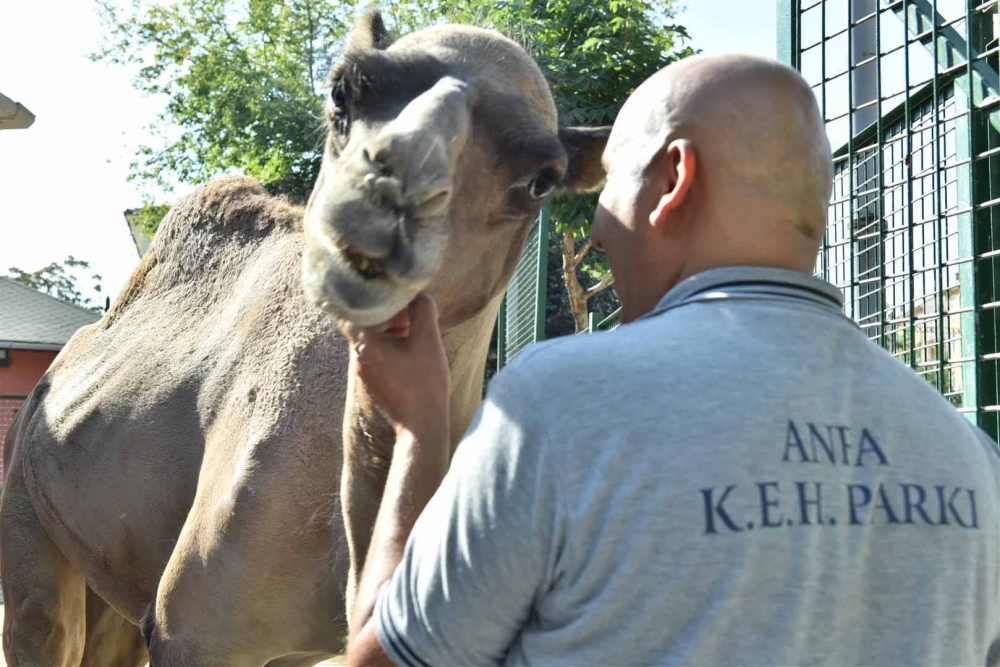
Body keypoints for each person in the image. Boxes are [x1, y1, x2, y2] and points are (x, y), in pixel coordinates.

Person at [342, 54, 1000, 667]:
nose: (597, 232)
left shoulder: (556, 405)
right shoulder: (972, 456)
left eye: (613, 184)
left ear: (673, 179)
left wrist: (419, 430)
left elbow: (382, 658)